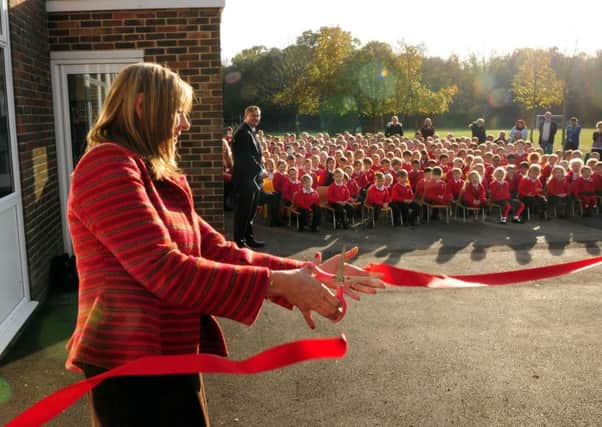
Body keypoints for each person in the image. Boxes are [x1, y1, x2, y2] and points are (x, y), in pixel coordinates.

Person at [66, 63, 383, 426]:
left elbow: (216, 250)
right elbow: (165, 269)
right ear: (141, 107)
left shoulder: (153, 175)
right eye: (178, 113)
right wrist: (281, 284)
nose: (184, 124)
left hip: (168, 357)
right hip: (132, 369)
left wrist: (304, 273)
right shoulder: (106, 167)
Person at [231, 105, 267, 248]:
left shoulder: (251, 132)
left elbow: (256, 155)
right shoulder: (242, 133)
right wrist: (260, 170)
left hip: (252, 180)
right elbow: (246, 158)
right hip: (245, 179)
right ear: (246, 116)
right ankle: (239, 242)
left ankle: (249, 238)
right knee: (243, 212)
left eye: (258, 115)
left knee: (250, 212)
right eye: (253, 115)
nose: (256, 118)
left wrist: (260, 168)